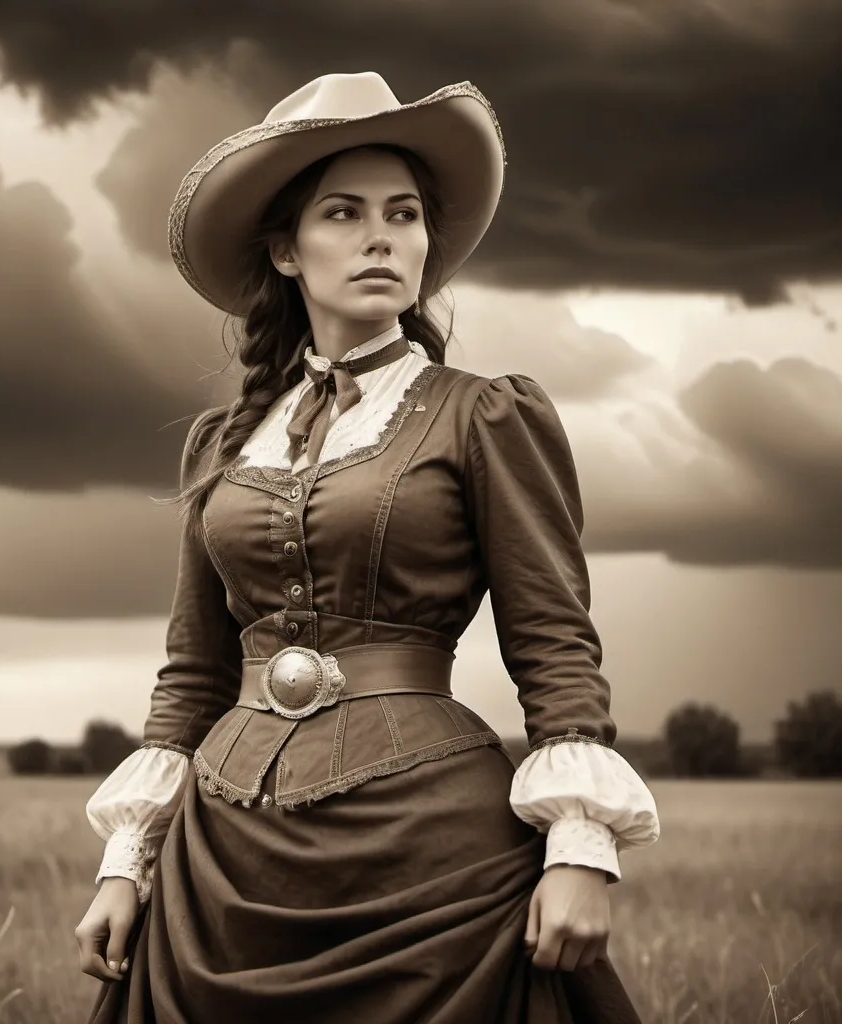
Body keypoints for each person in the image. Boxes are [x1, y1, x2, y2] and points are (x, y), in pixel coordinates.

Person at [75, 71, 660, 1023]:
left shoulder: (485, 414)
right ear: (286, 251)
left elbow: (553, 638)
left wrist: (581, 848)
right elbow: (192, 667)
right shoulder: (219, 444)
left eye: (405, 213)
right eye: (343, 213)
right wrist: (125, 865)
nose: (382, 236)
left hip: (430, 846)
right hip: (225, 851)